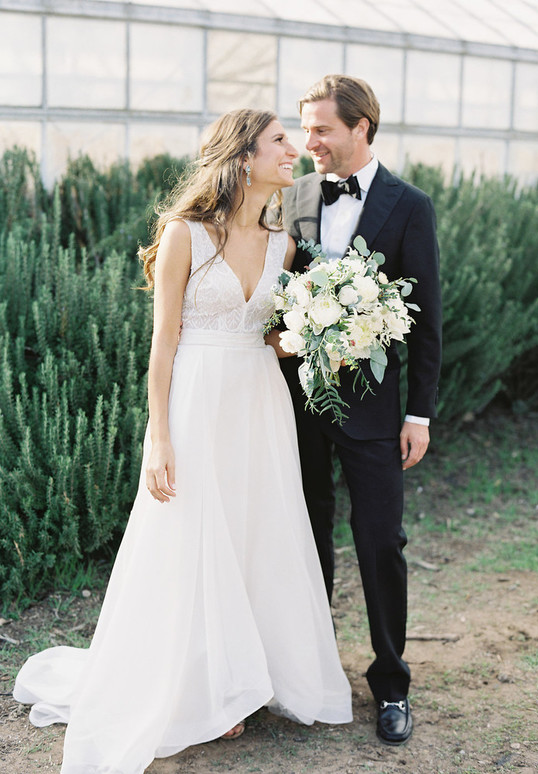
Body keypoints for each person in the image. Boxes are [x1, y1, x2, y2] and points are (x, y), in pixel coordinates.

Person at [13, 108, 352, 774]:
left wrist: (316, 336)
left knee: (256, 530)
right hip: (197, 401)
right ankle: (202, 685)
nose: (294, 151)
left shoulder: (283, 239)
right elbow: (162, 343)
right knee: (196, 538)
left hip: (259, 400)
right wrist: (157, 438)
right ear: (242, 156)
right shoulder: (184, 234)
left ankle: (254, 677)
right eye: (280, 141)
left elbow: (269, 335)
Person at [280, 75, 442, 746]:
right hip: (297, 404)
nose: (308, 142)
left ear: (362, 129)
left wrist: (420, 415)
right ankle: (309, 678)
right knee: (303, 540)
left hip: (377, 414)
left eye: (322, 129)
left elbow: (427, 316)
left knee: (381, 544)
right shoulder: (297, 197)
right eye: (305, 127)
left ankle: (392, 685)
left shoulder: (410, 205)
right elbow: (278, 289)